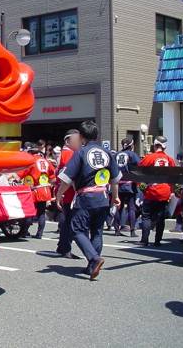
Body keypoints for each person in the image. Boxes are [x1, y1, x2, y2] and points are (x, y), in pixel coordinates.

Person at [56, 120, 121, 280]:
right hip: (103, 197)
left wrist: (59, 195)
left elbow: (66, 178)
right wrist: (116, 196)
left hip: (86, 197)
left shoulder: (81, 153)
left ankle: (94, 259)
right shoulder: (107, 153)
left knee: (77, 229)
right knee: (97, 231)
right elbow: (115, 179)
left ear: (82, 137)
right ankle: (92, 266)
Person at [138, 136, 176, 247]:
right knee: (160, 217)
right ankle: (157, 241)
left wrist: (141, 186)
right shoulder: (170, 159)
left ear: (155, 145)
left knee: (146, 216)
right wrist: (173, 191)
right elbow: (174, 176)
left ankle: (144, 240)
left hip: (152, 191)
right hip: (164, 191)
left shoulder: (149, 157)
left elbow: (139, 171)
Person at [15, 144, 56, 239]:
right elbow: (53, 178)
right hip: (45, 190)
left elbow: (19, 175)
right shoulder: (46, 161)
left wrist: (13, 179)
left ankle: (24, 231)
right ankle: (39, 234)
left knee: (29, 211)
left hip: (33, 191)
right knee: (41, 212)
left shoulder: (31, 161)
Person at [55, 129, 81, 258]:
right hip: (69, 191)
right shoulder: (70, 154)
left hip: (64, 190)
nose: (79, 142)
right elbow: (71, 176)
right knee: (69, 221)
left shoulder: (64, 153)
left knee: (67, 220)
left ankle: (62, 246)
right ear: (68, 141)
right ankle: (65, 248)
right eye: (77, 139)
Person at [114, 137, 141, 237]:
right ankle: (132, 230)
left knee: (118, 206)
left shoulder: (116, 154)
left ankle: (116, 229)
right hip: (129, 184)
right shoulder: (132, 154)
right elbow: (139, 165)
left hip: (117, 183)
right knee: (131, 208)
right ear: (131, 145)